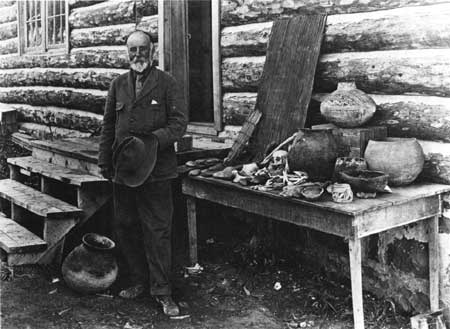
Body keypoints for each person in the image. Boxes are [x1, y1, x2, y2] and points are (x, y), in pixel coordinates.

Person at [98, 30, 187, 316]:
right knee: (125, 224)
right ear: (127, 53)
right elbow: (109, 125)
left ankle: (163, 292)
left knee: (158, 230)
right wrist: (104, 162)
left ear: (153, 50)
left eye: (143, 49)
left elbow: (179, 124)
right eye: (132, 50)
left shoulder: (167, 83)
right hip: (124, 169)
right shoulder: (118, 85)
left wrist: (151, 142)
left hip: (158, 171)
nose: (138, 55)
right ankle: (138, 279)